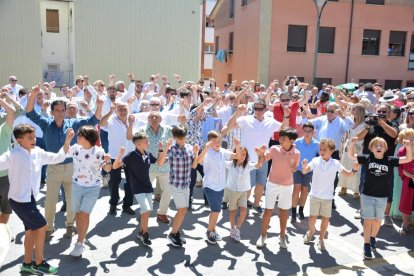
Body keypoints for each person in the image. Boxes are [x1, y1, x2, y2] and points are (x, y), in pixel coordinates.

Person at [26, 84, 102, 240]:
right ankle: (48, 227)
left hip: (72, 167)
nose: (60, 113)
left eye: (63, 110)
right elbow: (30, 113)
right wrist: (33, 96)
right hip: (53, 167)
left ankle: (69, 225)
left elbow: (93, 119)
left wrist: (99, 105)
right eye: (57, 110)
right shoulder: (46, 124)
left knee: (71, 199)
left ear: (66, 111)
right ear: (52, 112)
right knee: (50, 200)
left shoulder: (73, 123)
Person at [0, 124, 73, 274]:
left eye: (34, 136)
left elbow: (58, 158)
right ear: (19, 140)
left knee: (31, 231)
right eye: (30, 137)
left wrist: (66, 143)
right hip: (19, 200)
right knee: (41, 226)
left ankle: (27, 263)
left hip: (31, 198)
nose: (34, 139)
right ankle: (39, 263)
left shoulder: (38, 152)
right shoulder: (12, 154)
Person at [348, 136, 412, 259]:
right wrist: (351, 143)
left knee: (377, 221)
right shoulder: (366, 158)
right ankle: (366, 245)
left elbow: (408, 159)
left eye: (381, 145)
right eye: (375, 145)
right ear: (371, 149)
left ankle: (373, 238)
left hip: (382, 196)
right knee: (368, 220)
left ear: (385, 149)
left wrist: (408, 147)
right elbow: (351, 156)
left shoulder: (389, 160)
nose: (378, 147)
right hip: (367, 194)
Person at [222, 99, 288, 215]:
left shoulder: (270, 121)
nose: (258, 111)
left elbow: (283, 129)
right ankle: (243, 207)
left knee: (261, 184)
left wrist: (286, 116)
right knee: (247, 186)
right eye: (256, 108)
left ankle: (256, 204)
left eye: (260, 109)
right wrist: (237, 112)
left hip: (263, 158)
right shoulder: (245, 119)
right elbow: (228, 126)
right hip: (247, 159)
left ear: (265, 109)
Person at [302, 139, 359, 251]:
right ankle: (311, 231)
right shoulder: (315, 160)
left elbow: (348, 174)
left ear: (332, 151)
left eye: (325, 149)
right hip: (315, 195)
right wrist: (304, 167)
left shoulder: (335, 163)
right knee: (312, 217)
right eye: (321, 149)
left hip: (328, 197)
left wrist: (354, 170)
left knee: (325, 219)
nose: (322, 151)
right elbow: (305, 171)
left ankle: (321, 239)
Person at [113, 132, 168, 246]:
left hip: (147, 187)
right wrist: (120, 154)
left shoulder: (147, 154)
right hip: (137, 188)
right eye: (146, 142)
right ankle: (145, 234)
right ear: (138, 144)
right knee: (146, 210)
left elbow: (159, 162)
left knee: (146, 212)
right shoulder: (131, 156)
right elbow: (115, 166)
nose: (148, 143)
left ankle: (141, 232)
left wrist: (162, 149)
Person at [67, 126, 112, 257]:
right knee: (77, 213)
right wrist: (67, 140)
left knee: (84, 213)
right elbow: (63, 153)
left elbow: (108, 169)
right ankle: (81, 235)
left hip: (93, 186)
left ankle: (80, 243)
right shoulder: (75, 148)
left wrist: (108, 161)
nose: (77, 137)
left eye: (80, 135)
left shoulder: (99, 151)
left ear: (88, 138)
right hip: (76, 184)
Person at [256, 128, 300, 249]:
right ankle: (263, 236)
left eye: (284, 138)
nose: (280, 140)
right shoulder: (274, 149)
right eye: (280, 137)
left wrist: (293, 167)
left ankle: (282, 237)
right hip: (272, 184)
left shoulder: (297, 153)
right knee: (268, 211)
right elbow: (261, 161)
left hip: (287, 186)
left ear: (291, 140)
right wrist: (260, 153)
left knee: (284, 211)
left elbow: (294, 169)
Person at [356, 103, 399, 225]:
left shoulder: (393, 125)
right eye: (379, 111)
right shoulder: (370, 124)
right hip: (368, 160)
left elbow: (394, 134)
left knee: (388, 187)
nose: (381, 114)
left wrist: (382, 123)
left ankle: (386, 215)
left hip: (387, 161)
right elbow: (359, 138)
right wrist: (367, 126)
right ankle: (363, 210)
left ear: (389, 113)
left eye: (384, 111)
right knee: (364, 185)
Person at [158, 125, 199, 247]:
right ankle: (172, 233)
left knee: (183, 210)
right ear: (175, 137)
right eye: (179, 138)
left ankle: (175, 233)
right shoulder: (171, 149)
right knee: (182, 209)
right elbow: (160, 163)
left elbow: (194, 166)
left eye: (183, 138)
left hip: (186, 184)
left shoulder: (190, 148)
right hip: (175, 184)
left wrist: (196, 153)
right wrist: (166, 148)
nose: (182, 140)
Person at [197, 131, 239, 244]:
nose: (217, 143)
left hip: (220, 186)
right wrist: (205, 148)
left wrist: (237, 146)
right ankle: (209, 231)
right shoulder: (207, 152)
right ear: (209, 142)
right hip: (210, 186)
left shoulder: (222, 151)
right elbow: (198, 161)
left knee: (216, 211)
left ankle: (213, 229)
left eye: (219, 141)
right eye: (214, 141)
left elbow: (237, 156)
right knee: (216, 210)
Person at [100, 101, 135, 216]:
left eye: (124, 109)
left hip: (130, 156)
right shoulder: (111, 120)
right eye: (119, 109)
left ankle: (127, 205)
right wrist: (110, 111)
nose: (123, 111)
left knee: (130, 182)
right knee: (115, 182)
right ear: (115, 110)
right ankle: (113, 205)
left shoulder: (133, 119)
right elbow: (101, 123)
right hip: (115, 156)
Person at [225, 145, 266, 242]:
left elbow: (259, 164)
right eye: (240, 154)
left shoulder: (247, 165)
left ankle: (237, 228)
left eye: (245, 154)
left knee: (244, 210)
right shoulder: (230, 164)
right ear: (235, 155)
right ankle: (232, 228)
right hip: (232, 190)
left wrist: (260, 154)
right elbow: (220, 161)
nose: (243, 156)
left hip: (243, 191)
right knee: (233, 211)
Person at [292, 122, 319, 222]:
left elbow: (321, 157)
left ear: (313, 132)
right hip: (297, 169)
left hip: (309, 170)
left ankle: (301, 210)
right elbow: (292, 155)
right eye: (305, 131)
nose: (307, 133)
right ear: (302, 131)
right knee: (296, 188)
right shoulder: (297, 142)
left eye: (310, 131)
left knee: (304, 190)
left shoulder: (317, 144)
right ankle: (293, 212)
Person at [338, 104, 367, 198]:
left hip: (359, 147)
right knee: (345, 164)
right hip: (348, 145)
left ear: (359, 111)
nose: (351, 109)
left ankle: (356, 190)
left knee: (356, 168)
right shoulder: (350, 121)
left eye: (354, 109)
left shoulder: (365, 124)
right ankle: (343, 186)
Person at [0, 96, 16, 227]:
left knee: (6, 208)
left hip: (5, 176)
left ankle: (2, 231)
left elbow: (11, 111)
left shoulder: (4, 129)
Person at [396, 128, 414, 235]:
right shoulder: (401, 151)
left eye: (412, 138)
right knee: (406, 202)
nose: (410, 140)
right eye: (407, 139)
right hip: (408, 180)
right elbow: (401, 169)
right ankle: (405, 224)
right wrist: (411, 176)